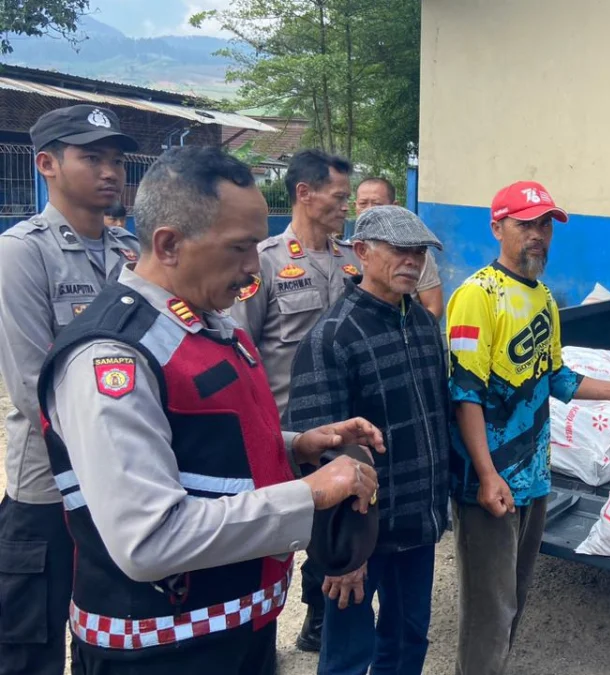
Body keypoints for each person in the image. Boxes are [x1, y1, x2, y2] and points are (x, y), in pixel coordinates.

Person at [37, 145, 385, 674]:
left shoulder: (204, 322)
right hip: (162, 651)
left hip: (234, 630)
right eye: (240, 248)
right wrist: (308, 494)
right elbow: (150, 538)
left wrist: (295, 447)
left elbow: (205, 447)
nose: (254, 267)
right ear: (170, 244)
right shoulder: (113, 356)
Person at [446, 180, 610, 675]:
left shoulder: (541, 297)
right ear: (498, 228)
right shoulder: (478, 295)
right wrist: (486, 474)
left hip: (534, 476)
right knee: (488, 611)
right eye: (525, 223)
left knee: (513, 599)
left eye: (544, 225)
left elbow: (553, 375)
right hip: (489, 480)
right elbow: (464, 392)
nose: (538, 234)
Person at [0, 104, 141, 675]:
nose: (110, 171)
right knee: (27, 645)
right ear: (47, 164)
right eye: (91, 158)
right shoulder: (22, 253)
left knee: (107, 638)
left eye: (116, 160)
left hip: (122, 482)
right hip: (51, 490)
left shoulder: (130, 255)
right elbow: (35, 386)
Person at [287, 205, 451, 675]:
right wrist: (343, 556)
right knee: (347, 655)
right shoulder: (331, 339)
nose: (412, 262)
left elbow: (436, 419)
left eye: (419, 252)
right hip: (365, 535)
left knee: (408, 641)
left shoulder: (420, 325)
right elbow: (321, 459)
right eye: (399, 250)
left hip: (416, 526)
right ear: (361, 251)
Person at [228, 148, 364, 651]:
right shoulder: (264, 262)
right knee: (280, 525)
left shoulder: (352, 260)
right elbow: (241, 350)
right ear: (304, 194)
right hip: (284, 430)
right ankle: (256, 630)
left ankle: (318, 616)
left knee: (337, 523)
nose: (345, 206)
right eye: (338, 196)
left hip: (343, 425)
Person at [355, 176, 445, 319]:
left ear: (394, 206)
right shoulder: (344, 251)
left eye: (377, 204)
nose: (369, 210)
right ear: (361, 251)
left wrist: (420, 334)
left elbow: (433, 305)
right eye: (363, 204)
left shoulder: (418, 256)